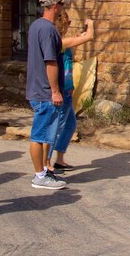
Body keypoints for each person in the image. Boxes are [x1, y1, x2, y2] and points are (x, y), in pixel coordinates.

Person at [26, 0, 68, 190]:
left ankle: (44, 170)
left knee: (45, 136)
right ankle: (39, 175)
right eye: (62, 5)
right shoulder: (48, 30)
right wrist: (55, 91)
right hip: (45, 92)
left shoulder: (35, 26)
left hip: (37, 88)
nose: (63, 9)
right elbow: (50, 62)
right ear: (56, 6)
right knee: (39, 135)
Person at [48, 10, 94, 172]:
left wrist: (77, 41)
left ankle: (59, 159)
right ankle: (46, 162)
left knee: (69, 125)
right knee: (56, 127)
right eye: (68, 23)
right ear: (62, 25)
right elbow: (90, 37)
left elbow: (70, 57)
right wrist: (90, 25)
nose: (69, 26)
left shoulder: (64, 44)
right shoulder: (59, 42)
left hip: (67, 90)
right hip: (62, 91)